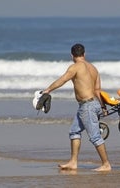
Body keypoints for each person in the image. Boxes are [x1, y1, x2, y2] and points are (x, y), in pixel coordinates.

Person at [43, 43, 111, 171]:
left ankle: (106, 164)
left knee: (95, 136)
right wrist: (103, 107)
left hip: (87, 106)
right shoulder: (93, 68)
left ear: (71, 55)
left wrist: (48, 90)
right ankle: (73, 162)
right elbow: (97, 91)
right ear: (84, 54)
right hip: (93, 104)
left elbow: (63, 80)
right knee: (74, 131)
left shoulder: (75, 67)